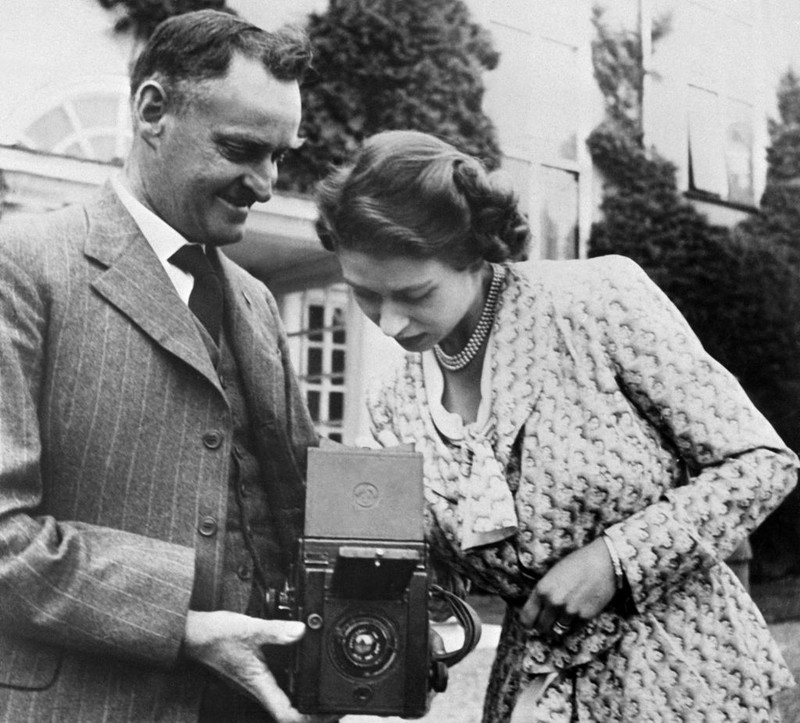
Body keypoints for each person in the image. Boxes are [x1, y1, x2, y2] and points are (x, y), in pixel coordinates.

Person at [314, 129, 799, 721]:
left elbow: (760, 462)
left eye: (414, 293)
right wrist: (412, 632)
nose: (389, 323)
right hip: (535, 693)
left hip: (686, 677)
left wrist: (616, 561)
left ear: (473, 252)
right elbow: (430, 565)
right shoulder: (395, 405)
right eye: (365, 296)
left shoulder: (595, 302)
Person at [0, 10, 334, 723]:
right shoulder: (23, 265)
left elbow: (302, 505)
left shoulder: (255, 302)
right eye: (243, 148)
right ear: (153, 111)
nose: (267, 183)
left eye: (281, 155)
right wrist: (180, 620)